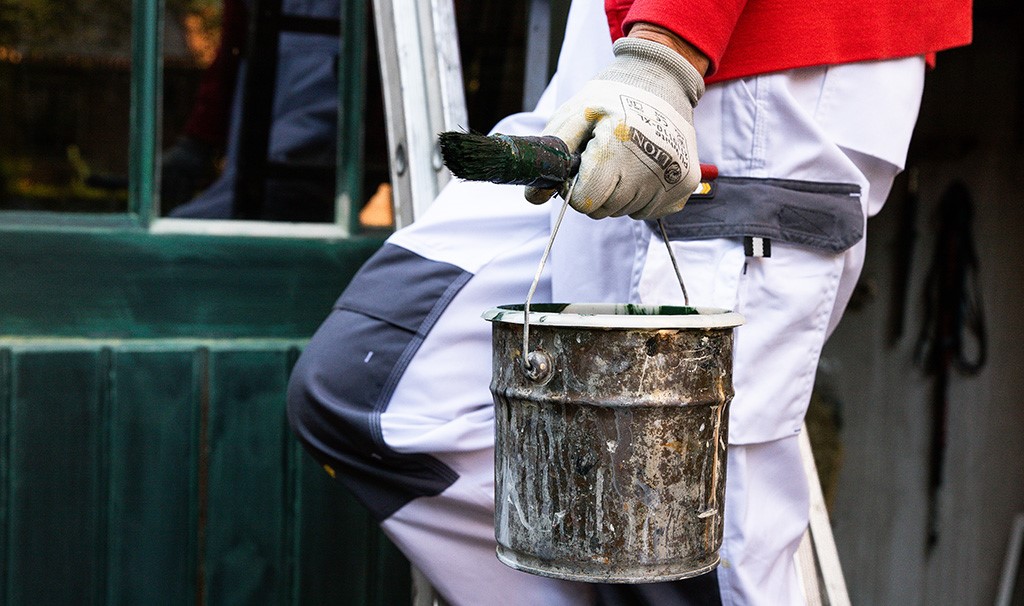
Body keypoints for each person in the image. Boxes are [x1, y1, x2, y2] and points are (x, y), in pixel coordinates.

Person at [286, 1, 972, 604]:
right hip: (620, 41)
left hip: (744, 56)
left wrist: (665, 59)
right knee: (367, 389)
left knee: (675, 533)